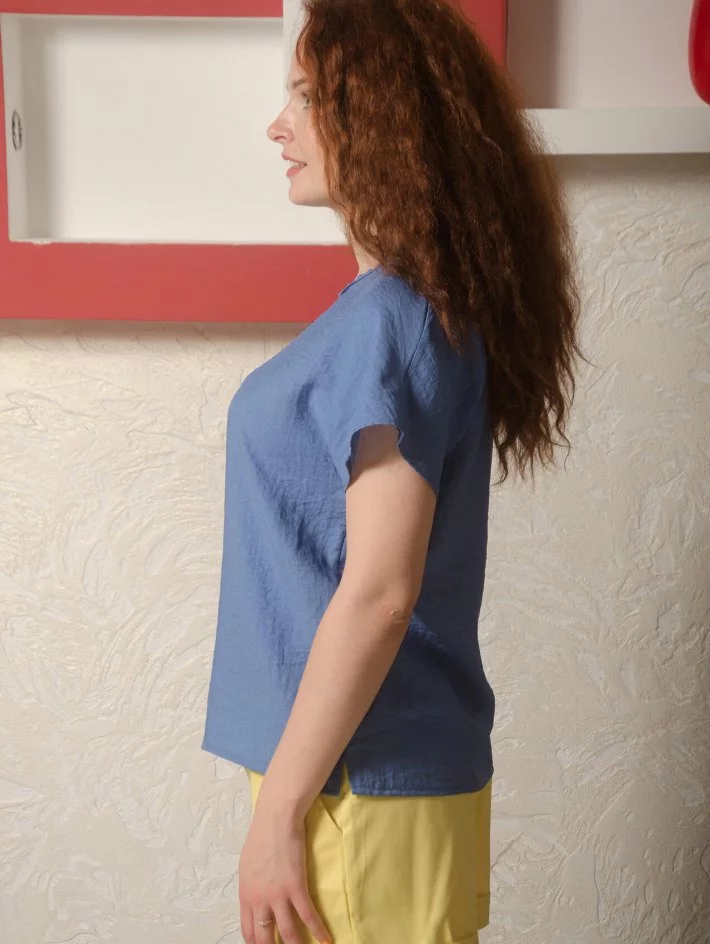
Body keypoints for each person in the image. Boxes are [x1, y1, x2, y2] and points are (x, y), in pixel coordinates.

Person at [201, 1, 587, 942]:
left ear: (381, 116)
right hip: (352, 779)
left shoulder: (392, 319)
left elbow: (380, 592)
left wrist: (279, 815)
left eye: (306, 97)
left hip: (354, 791)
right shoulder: (399, 311)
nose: (278, 125)